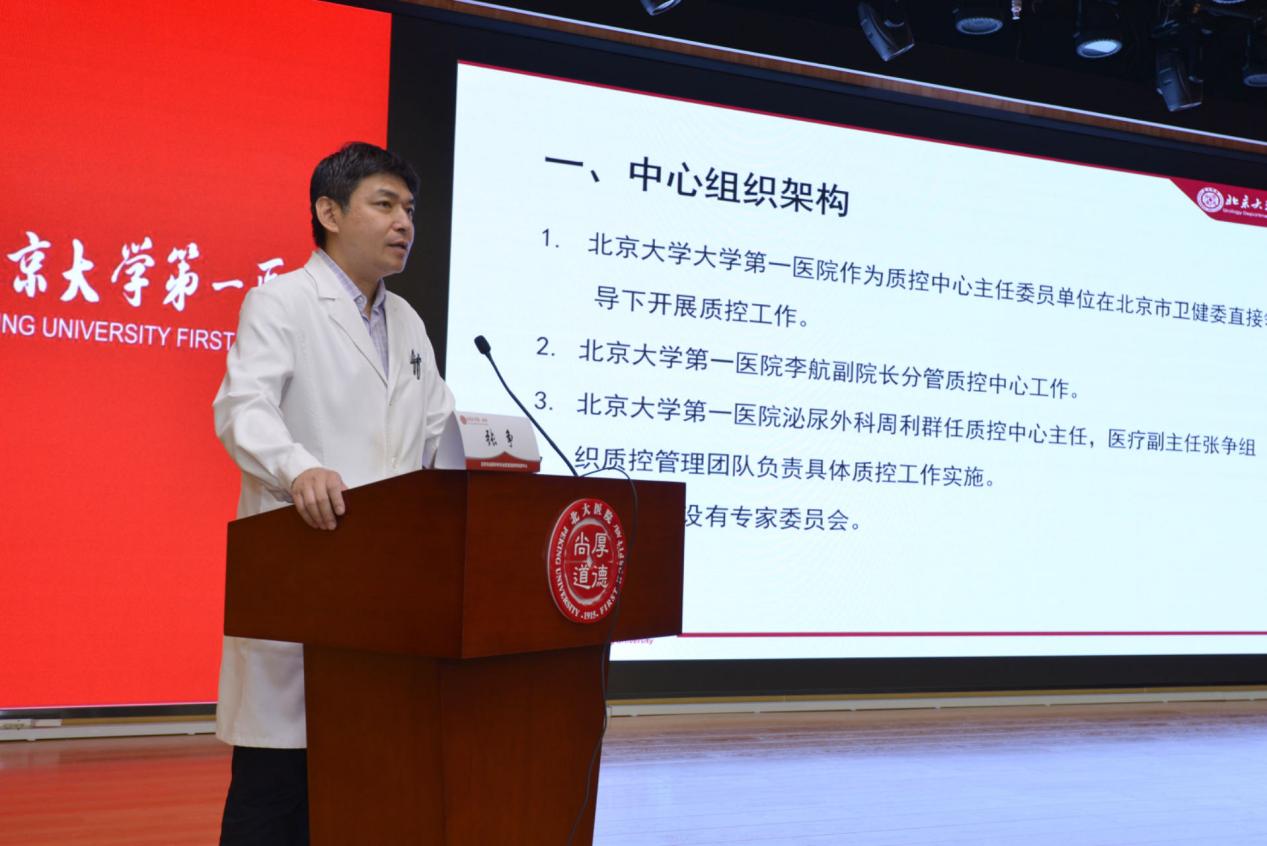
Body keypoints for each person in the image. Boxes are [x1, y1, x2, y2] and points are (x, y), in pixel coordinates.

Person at [212, 141, 455, 845]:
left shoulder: (406, 321)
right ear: (329, 211)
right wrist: (298, 469)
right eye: (385, 204)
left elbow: (436, 428)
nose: (405, 222)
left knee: (360, 785)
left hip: (384, 588)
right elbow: (243, 408)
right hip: (306, 562)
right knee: (276, 787)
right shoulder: (281, 300)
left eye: (409, 209)